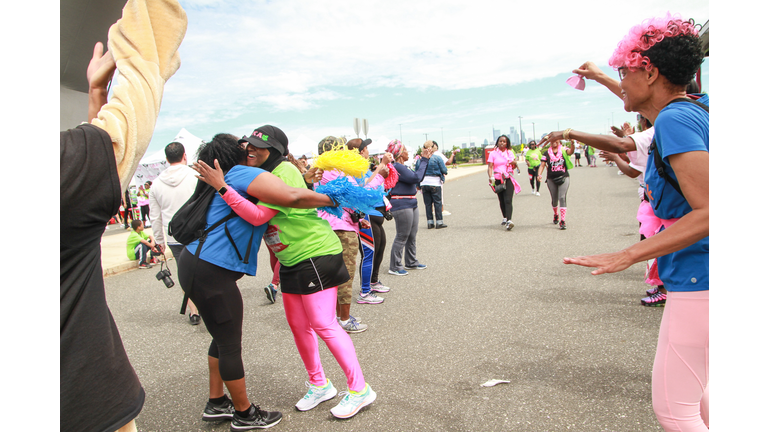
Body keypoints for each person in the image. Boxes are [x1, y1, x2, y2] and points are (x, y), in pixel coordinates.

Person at [561, 14, 708, 431]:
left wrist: (630, 254)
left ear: (651, 70)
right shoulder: (700, 108)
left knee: (676, 411)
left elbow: (712, 209)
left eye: (624, 71)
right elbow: (640, 100)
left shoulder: (674, 121)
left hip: (701, 279)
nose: (620, 80)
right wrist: (609, 78)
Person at [60, 1, 187, 431]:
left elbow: (111, 191)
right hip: (88, 404)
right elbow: (146, 60)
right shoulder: (60, 169)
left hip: (173, 239)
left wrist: (154, 237)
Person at [193, 137, 379, 420]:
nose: (251, 149)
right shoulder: (265, 175)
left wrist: (222, 187)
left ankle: (359, 389)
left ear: (276, 151)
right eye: (248, 145)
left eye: (258, 146)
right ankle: (319, 384)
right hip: (291, 260)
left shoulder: (281, 172)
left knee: (323, 324)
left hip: (314, 254)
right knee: (298, 325)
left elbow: (259, 215)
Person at [148, 141, 201, 324]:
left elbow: (154, 217)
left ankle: (193, 310)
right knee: (206, 268)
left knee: (184, 272)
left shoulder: (155, 184)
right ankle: (210, 303)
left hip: (174, 237)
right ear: (184, 155)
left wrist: (159, 241)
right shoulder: (195, 175)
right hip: (198, 232)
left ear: (166, 159)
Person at [346, 138, 393, 305]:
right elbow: (365, 189)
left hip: (374, 214)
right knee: (368, 254)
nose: (368, 151)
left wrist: (380, 169)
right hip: (365, 215)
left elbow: (374, 183)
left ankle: (373, 283)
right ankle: (365, 291)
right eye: (366, 149)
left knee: (378, 249)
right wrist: (381, 166)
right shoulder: (355, 170)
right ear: (360, 152)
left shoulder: (362, 168)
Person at [386, 140, 431, 276]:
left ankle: (411, 261)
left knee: (411, 235)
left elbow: (417, 177)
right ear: (400, 153)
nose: (408, 152)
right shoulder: (398, 167)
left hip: (411, 202)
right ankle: (395, 266)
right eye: (405, 149)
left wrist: (424, 160)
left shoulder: (403, 166)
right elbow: (416, 177)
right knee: (402, 235)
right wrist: (424, 159)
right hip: (402, 203)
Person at [537, 139, 574, 230]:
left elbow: (571, 152)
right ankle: (556, 214)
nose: (554, 142)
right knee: (554, 199)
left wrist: (572, 143)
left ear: (559, 141)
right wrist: (539, 174)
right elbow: (542, 165)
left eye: (556, 140)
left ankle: (562, 220)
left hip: (564, 177)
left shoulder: (563, 150)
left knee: (562, 197)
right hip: (551, 179)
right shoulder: (546, 153)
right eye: (552, 141)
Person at [487, 135, 521, 230]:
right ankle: (505, 217)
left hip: (508, 177)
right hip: (497, 178)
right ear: (497, 142)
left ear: (507, 143)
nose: (502, 143)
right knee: (501, 200)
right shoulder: (493, 154)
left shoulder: (510, 153)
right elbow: (490, 166)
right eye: (500, 141)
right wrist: (490, 177)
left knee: (508, 199)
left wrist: (513, 163)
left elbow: (513, 165)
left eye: (504, 141)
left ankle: (509, 221)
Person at [415, 140, 448, 229]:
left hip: (424, 183)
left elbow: (417, 173)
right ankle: (439, 222)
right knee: (437, 202)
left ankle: (430, 222)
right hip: (435, 183)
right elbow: (444, 170)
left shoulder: (419, 160)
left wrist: (418, 185)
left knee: (428, 204)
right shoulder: (437, 158)